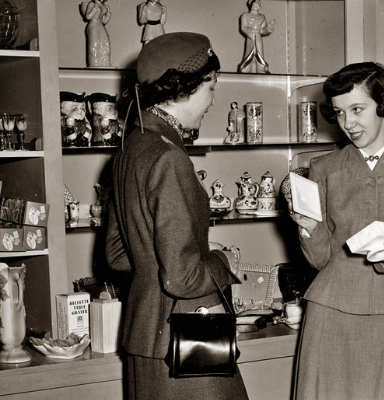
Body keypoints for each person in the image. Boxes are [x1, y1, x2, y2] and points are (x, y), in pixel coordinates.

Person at [105, 32, 249, 400]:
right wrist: (222, 260)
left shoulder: (129, 150)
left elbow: (118, 256)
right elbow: (183, 279)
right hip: (191, 335)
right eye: (211, 87)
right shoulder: (169, 157)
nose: (212, 100)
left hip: (147, 338)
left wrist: (175, 252)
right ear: (186, 87)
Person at [285, 62, 384, 400]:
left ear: (383, 105)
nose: (348, 124)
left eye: (357, 109)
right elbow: (320, 259)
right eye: (339, 113)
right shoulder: (323, 168)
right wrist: (309, 230)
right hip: (330, 310)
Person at [238, 0, 275, 73]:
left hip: (258, 38)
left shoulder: (262, 17)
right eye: (257, 2)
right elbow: (243, 27)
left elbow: (263, 30)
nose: (259, 4)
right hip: (250, 38)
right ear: (251, 3)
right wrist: (249, 31)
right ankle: (246, 68)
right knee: (248, 54)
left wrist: (269, 27)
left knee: (260, 54)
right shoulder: (245, 16)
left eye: (259, 3)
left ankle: (261, 69)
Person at [80, 0, 111, 67]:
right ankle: (94, 64)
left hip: (100, 26)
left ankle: (105, 64)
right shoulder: (91, 4)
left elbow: (104, 21)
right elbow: (88, 16)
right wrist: (95, 8)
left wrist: (108, 14)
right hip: (93, 26)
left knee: (105, 43)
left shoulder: (104, 5)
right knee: (94, 45)